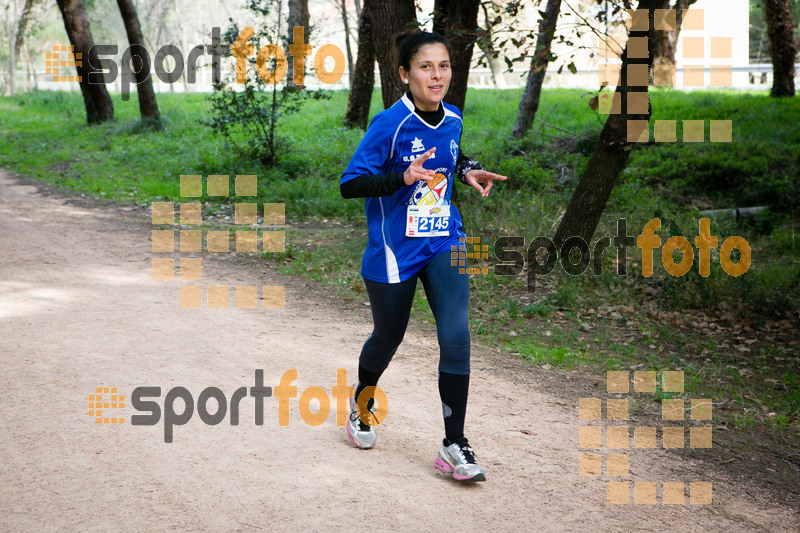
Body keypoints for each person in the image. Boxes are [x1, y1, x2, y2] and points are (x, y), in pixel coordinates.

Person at [339, 31, 507, 482]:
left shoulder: (452, 117)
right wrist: (401, 177)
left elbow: (450, 155)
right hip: (395, 251)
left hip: (443, 240)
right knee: (387, 337)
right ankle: (362, 403)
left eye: (444, 66)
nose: (437, 75)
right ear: (404, 75)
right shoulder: (387, 124)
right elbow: (350, 184)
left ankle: (454, 443)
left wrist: (467, 169)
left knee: (456, 334)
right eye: (426, 67)